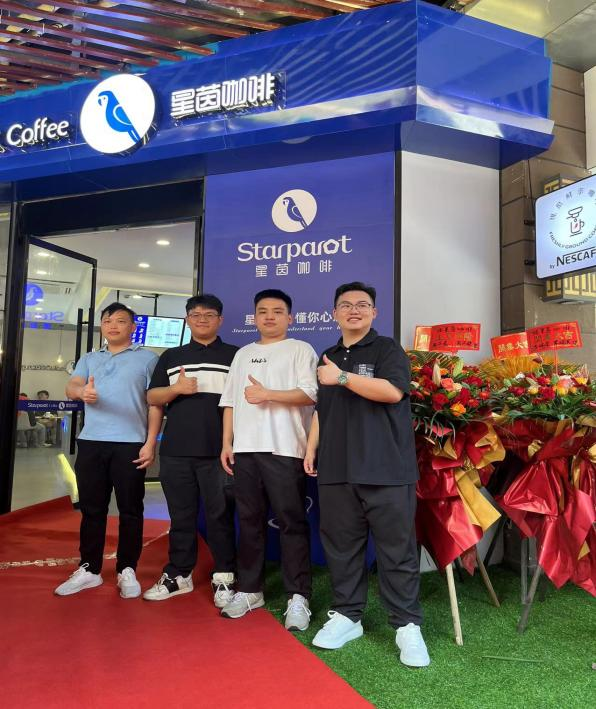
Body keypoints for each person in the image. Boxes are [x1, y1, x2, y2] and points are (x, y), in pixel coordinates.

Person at [304, 282, 430, 667]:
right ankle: (348, 616)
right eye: (346, 305)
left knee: (396, 549)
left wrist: (342, 377)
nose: (354, 310)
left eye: (362, 304)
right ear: (334, 313)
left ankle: (406, 625)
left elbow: (392, 392)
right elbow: (323, 410)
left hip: (386, 468)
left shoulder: (387, 349)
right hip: (337, 468)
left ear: (374, 312)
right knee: (342, 547)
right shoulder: (327, 355)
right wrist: (311, 448)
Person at [219, 288, 317, 631]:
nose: (269, 316)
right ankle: (250, 589)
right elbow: (230, 401)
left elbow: (310, 394)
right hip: (245, 450)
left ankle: (298, 596)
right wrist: (227, 442)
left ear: (290, 317)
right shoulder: (243, 353)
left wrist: (267, 394)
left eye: (277, 311)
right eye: (263, 311)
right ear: (254, 317)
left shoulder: (300, 349)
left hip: (285, 448)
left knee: (292, 522)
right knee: (249, 522)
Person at [54, 302, 161, 599]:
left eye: (121, 321)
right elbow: (72, 386)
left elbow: (155, 403)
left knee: (130, 509)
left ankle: (127, 568)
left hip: (131, 444)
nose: (113, 325)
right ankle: (89, 569)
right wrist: (81, 392)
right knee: (92, 509)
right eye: (107, 320)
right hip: (91, 442)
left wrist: (151, 442)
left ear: (133, 327)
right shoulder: (90, 358)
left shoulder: (148, 359)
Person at [143, 294, 238, 606]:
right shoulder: (171, 356)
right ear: (187, 320)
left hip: (218, 452)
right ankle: (179, 574)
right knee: (180, 516)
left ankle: (224, 576)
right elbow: (152, 397)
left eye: (209, 315)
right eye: (195, 315)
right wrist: (176, 389)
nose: (202, 319)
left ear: (220, 320)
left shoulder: (235, 356)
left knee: (220, 516)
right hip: (176, 451)